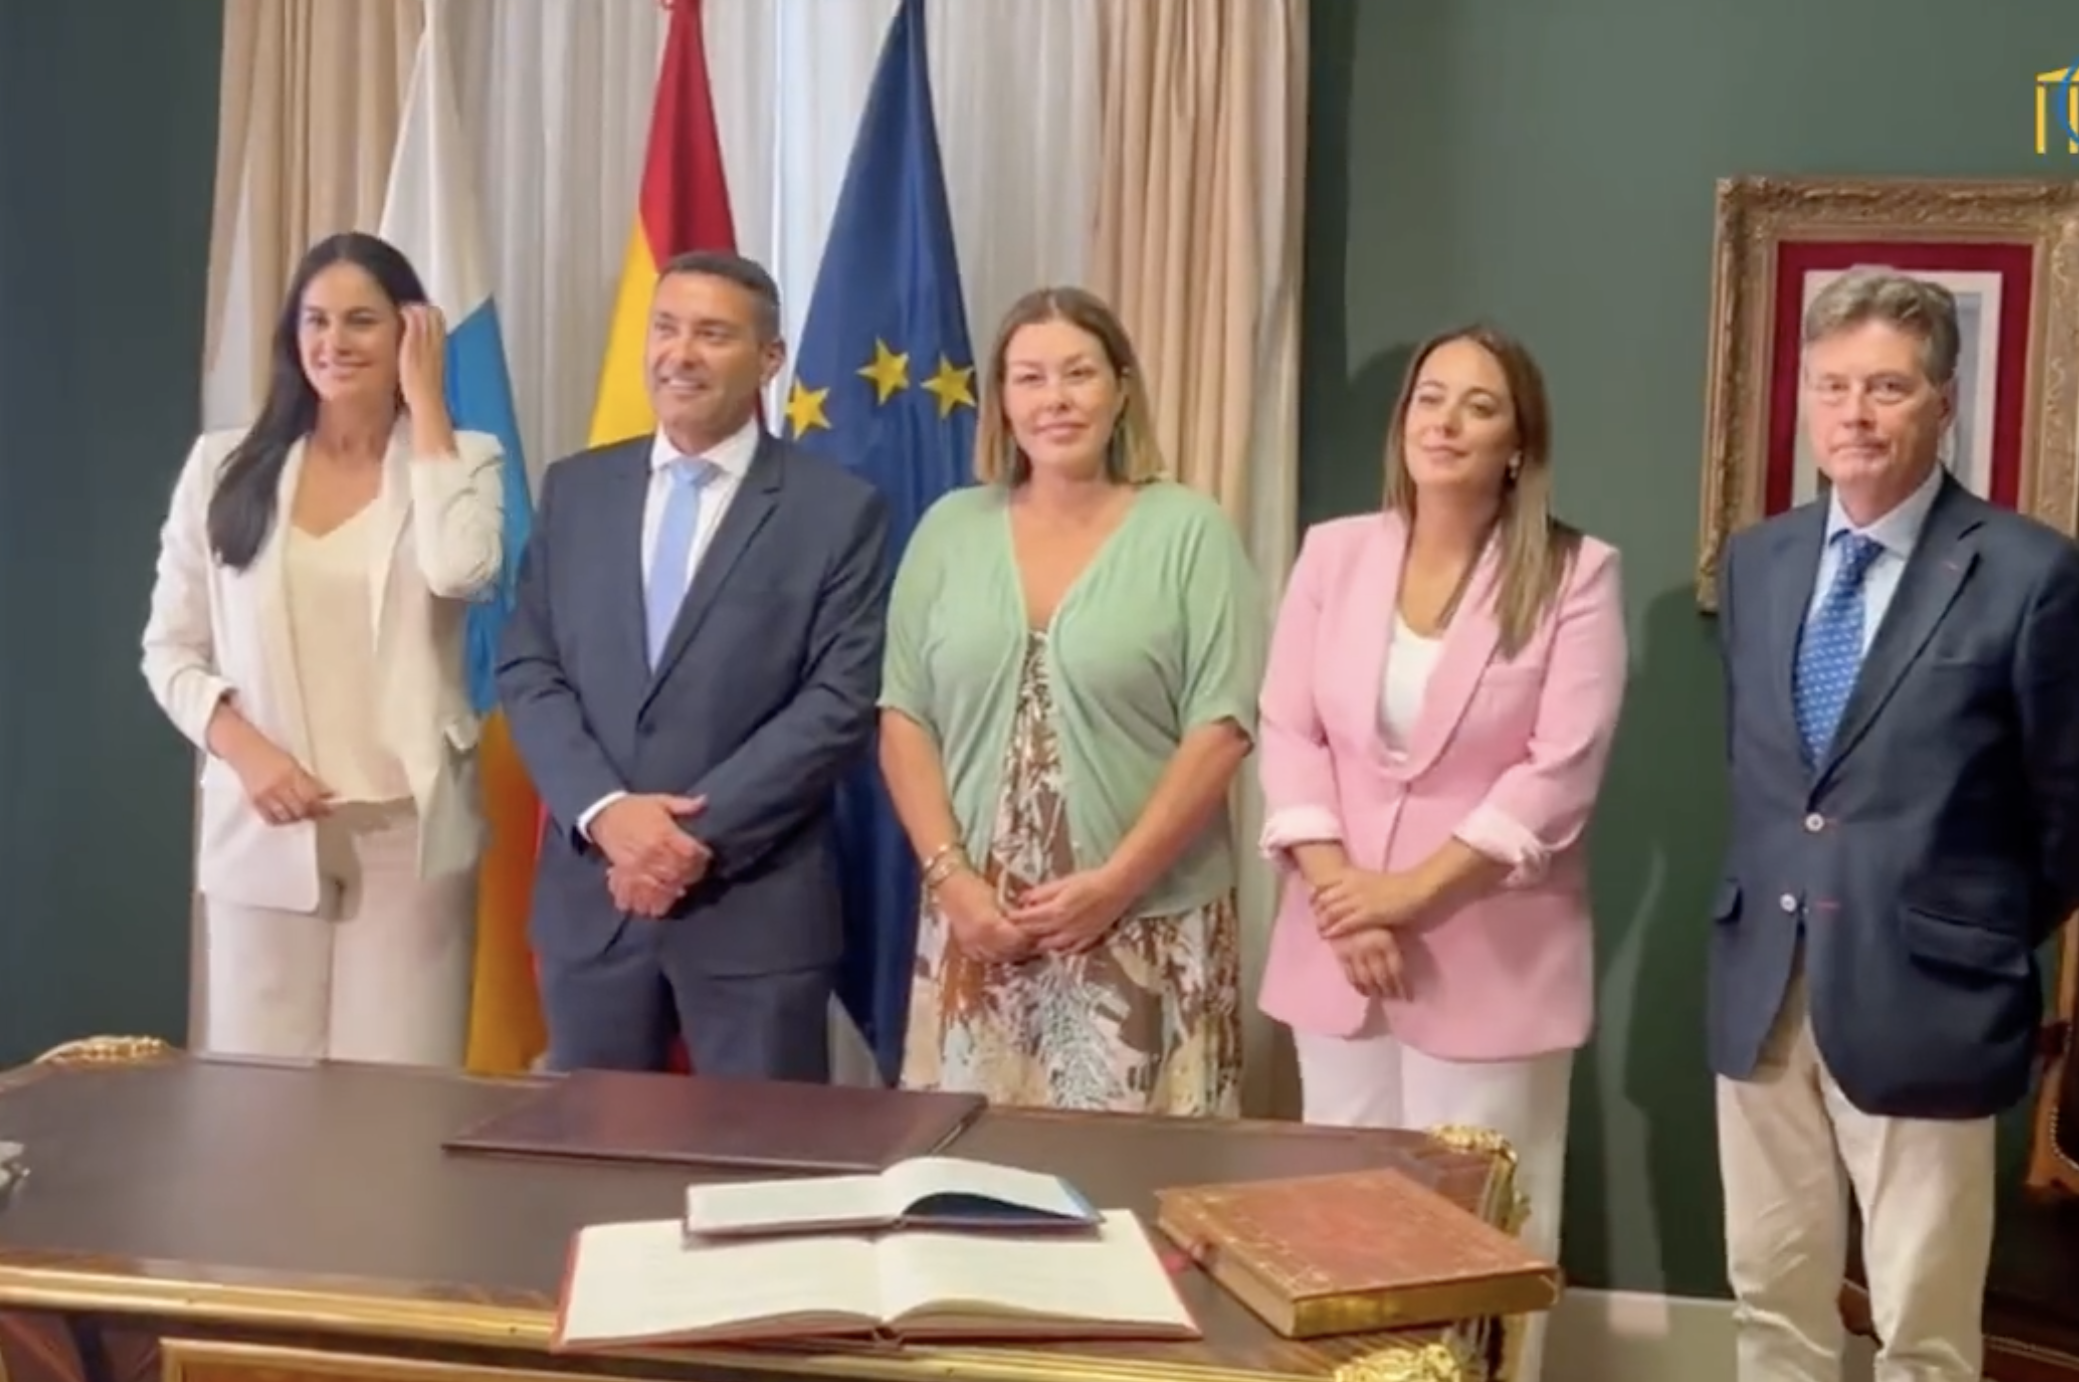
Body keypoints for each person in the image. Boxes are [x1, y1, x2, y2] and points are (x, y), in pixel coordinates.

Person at [1709, 267, 2079, 1381]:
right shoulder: (1759, 561)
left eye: (1887, 387)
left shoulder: (2031, 574)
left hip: (1932, 989)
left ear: (1945, 403)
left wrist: (1976, 923)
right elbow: (1766, 774)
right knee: (1771, 1296)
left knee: (1925, 1326)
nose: (1855, 412)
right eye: (1834, 384)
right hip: (1763, 979)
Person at [1253, 323, 1625, 1382]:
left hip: (1490, 955)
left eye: (1478, 403)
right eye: (1429, 397)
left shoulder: (1573, 571)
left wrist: (1403, 897)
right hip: (1337, 949)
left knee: (1483, 1239)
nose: (1446, 420)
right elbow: (1288, 731)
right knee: (1335, 1228)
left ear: (1519, 441)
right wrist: (1345, 900)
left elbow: (1563, 766)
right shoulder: (1334, 552)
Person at [495, 250, 888, 1083]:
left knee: (761, 1186)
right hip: (592, 906)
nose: (680, 354)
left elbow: (839, 703)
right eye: (666, 328)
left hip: (754, 913)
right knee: (592, 1175)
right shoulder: (578, 490)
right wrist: (608, 816)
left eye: (712, 334)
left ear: (769, 359)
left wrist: (683, 841)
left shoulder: (838, 510)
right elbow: (530, 668)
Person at [879, 286, 1266, 1115]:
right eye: (1029, 378)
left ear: (1122, 387)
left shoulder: (1190, 530)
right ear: (1003, 402)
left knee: (1135, 1196)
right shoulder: (948, 529)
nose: (1055, 399)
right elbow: (903, 716)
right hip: (977, 925)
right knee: (978, 1187)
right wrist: (954, 884)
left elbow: (1224, 725)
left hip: (1147, 922)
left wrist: (1117, 883)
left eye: (1079, 374)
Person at [139, 230, 508, 1066]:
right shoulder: (222, 466)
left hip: (407, 834)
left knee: (395, 1108)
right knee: (256, 1105)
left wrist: (431, 409)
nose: (334, 343)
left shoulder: (463, 460)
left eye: (361, 321)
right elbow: (170, 649)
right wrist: (250, 754)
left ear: (412, 330)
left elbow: (464, 571)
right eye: (315, 321)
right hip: (264, 822)